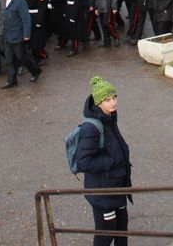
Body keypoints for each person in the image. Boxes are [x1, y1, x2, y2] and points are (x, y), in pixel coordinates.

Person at [75, 76, 132, 246]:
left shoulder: (110, 117)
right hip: (103, 192)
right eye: (107, 100)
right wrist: (110, 162)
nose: (113, 102)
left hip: (118, 188)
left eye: (114, 97)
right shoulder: (91, 128)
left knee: (122, 231)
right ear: (99, 103)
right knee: (106, 235)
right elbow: (83, 162)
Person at [0, 0, 41, 88]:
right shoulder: (5, 1)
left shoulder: (19, 1)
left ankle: (35, 71)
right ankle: (11, 80)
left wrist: (26, 34)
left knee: (22, 56)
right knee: (9, 59)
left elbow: (26, 19)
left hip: (18, 34)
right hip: (8, 35)